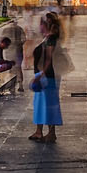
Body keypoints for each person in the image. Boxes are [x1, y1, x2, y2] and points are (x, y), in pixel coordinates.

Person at [28, 11, 62, 143]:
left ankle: (51, 133)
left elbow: (48, 59)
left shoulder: (51, 39)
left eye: (41, 23)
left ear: (45, 24)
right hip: (43, 76)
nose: (39, 26)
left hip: (47, 77)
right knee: (40, 104)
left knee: (49, 104)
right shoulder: (47, 38)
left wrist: (41, 75)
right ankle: (39, 131)